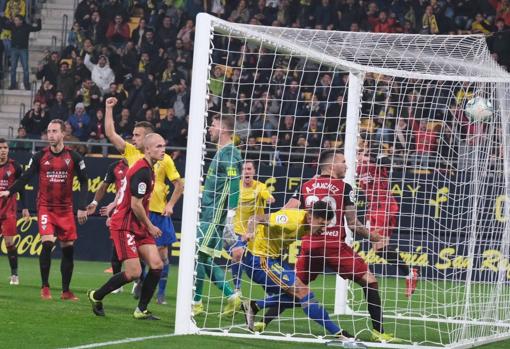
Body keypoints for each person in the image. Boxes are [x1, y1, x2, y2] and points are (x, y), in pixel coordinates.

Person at [276, 150, 397, 342]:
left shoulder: (306, 186)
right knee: (370, 280)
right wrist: (374, 236)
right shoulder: (345, 187)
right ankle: (379, 331)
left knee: (295, 288)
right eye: (343, 162)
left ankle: (259, 315)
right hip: (334, 247)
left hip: (309, 246)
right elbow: (353, 224)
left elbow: (285, 212)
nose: (347, 166)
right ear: (332, 165)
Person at [104, 97, 184, 305]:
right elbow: (111, 134)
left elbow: (179, 184)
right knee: (141, 261)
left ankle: (158, 293)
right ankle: (136, 283)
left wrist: (170, 205)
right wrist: (109, 108)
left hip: (157, 213)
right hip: (137, 213)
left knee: (162, 260)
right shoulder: (132, 154)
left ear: (148, 140)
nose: (132, 139)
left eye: (137, 135)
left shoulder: (164, 158)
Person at [0, 119, 88, 300]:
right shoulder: (40, 156)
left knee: (68, 250)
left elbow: (84, 181)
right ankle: (45, 287)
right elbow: (25, 177)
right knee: (47, 243)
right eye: (49, 131)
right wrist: (10, 190)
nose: (51, 135)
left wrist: (82, 207)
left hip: (66, 210)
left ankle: (65, 291)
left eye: (55, 131)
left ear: (63, 134)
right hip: (46, 208)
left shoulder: (74, 157)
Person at [241, 201, 352, 340]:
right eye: (322, 224)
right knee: (303, 293)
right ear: (311, 217)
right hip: (258, 260)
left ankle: (254, 305)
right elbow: (256, 218)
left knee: (300, 298)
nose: (323, 229)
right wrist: (250, 232)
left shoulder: (307, 224)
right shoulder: (290, 220)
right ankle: (338, 333)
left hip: (273, 258)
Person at [87, 133, 167, 320]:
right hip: (125, 225)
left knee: (157, 265)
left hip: (137, 224)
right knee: (134, 272)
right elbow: (135, 204)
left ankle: (141, 310)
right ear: (147, 149)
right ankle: (96, 295)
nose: (163, 150)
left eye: (163, 146)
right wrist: (151, 226)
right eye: (158, 146)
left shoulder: (149, 168)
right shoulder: (142, 171)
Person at [192, 114, 243, 317]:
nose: (210, 129)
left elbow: (234, 183)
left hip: (215, 215)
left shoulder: (229, 153)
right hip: (208, 213)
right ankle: (232, 296)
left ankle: (196, 302)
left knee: (197, 255)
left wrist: (230, 213)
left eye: (213, 125)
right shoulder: (221, 152)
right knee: (203, 257)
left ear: (224, 129)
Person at [357, 148, 419, 298]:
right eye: (359, 153)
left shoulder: (375, 165)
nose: (359, 155)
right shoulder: (357, 169)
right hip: (373, 209)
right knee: (379, 249)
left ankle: (411, 273)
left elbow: (386, 161)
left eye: (362, 153)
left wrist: (372, 157)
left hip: (383, 207)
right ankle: (411, 273)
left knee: (379, 247)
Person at [228, 160, 274, 293]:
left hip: (256, 232)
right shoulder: (235, 187)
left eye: (249, 169)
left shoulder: (260, 186)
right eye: (244, 169)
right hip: (239, 231)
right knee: (237, 254)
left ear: (253, 171)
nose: (246, 171)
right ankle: (237, 289)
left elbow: (265, 194)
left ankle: (271, 290)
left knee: (257, 265)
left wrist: (269, 197)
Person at [87, 158, 129, 293]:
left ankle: (139, 281)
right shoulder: (115, 166)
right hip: (121, 210)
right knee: (116, 251)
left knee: (142, 250)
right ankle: (117, 284)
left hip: (138, 210)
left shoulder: (141, 164)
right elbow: (108, 188)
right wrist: (95, 203)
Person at [0, 139, 30, 285]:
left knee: (9, 243)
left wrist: (24, 207)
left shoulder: (15, 166)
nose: (3, 150)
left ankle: (14, 275)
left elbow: (21, 187)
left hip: (8, 211)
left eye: (5, 147)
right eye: (0, 148)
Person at [6, 15, 42, 90]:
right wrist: (5, 19)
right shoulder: (12, 26)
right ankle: (13, 85)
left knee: (25, 68)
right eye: (14, 20)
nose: (15, 21)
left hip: (23, 50)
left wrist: (39, 20)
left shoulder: (27, 27)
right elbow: (3, 26)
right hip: (14, 49)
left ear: (21, 21)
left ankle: (26, 84)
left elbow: (38, 28)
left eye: (16, 20)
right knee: (13, 68)